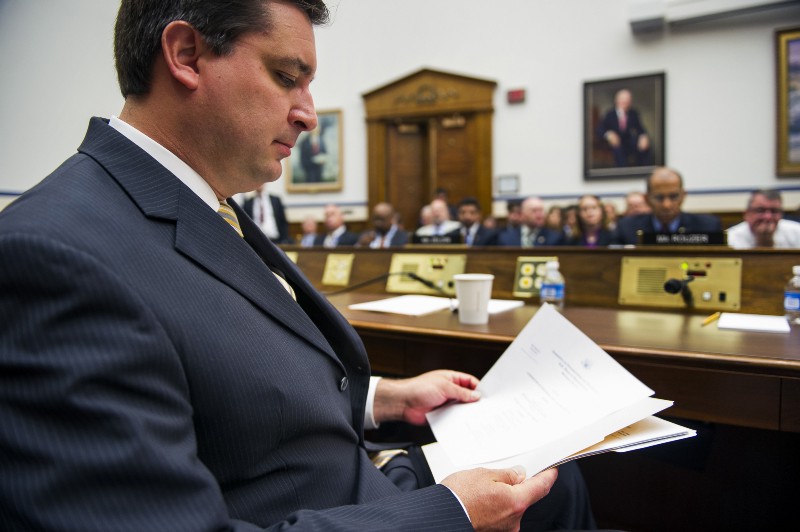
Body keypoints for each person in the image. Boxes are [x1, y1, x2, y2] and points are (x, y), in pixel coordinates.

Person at [0, 2, 597, 530]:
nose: (309, 115)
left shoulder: (198, 199)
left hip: (342, 476)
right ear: (186, 55)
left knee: (558, 477)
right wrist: (450, 515)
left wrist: (380, 398)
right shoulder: (53, 256)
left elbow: (228, 383)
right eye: (288, 78)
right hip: (324, 509)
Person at [611, 167, 722, 245]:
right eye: (659, 198)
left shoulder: (707, 226)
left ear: (683, 196)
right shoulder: (627, 228)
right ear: (647, 199)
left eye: (674, 197)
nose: (666, 205)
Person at [597, 88, 652, 167]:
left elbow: (640, 129)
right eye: (623, 99)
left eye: (628, 100)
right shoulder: (610, 114)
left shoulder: (633, 113)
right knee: (618, 151)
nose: (626, 102)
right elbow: (600, 129)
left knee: (644, 147)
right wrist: (608, 134)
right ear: (617, 101)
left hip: (629, 143)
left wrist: (643, 136)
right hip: (614, 143)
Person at [726, 189, 800, 248]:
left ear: (781, 214)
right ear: (747, 214)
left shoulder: (797, 233)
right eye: (760, 210)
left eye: (774, 211)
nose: (768, 217)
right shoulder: (729, 239)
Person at [498, 196, 565, 247]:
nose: (539, 215)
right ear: (523, 214)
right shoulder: (506, 237)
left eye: (541, 210)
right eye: (534, 211)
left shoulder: (554, 238)